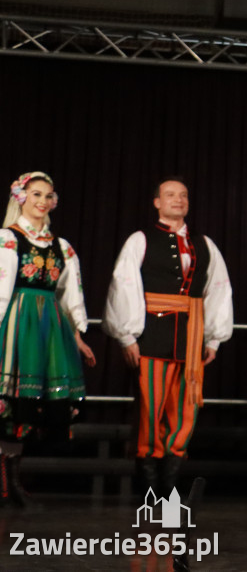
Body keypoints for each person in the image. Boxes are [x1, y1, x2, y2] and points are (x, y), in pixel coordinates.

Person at [103, 177, 233, 500]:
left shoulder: (204, 244)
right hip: (152, 337)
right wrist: (127, 335)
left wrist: (214, 338)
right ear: (157, 202)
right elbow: (125, 284)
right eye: (170, 195)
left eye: (184, 195)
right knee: (151, 408)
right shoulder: (141, 239)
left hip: (190, 340)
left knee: (185, 412)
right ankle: (147, 487)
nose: (178, 200)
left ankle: (169, 486)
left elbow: (218, 289)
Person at [0, 172, 95, 506]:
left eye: (47, 196)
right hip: (14, 324)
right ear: (21, 197)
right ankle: (4, 481)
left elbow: (71, 297)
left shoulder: (61, 247)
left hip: (47, 329)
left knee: (28, 409)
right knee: (7, 402)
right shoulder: (7, 240)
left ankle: (13, 481)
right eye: (35, 194)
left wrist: (77, 336)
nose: (41, 201)